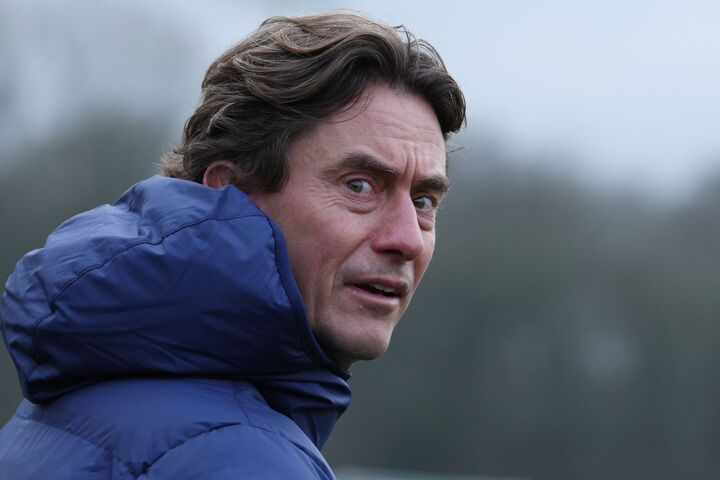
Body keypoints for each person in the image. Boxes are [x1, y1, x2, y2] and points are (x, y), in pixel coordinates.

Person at [0, 12, 465, 479]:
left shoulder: (68, 406)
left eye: (424, 201)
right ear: (232, 194)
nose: (407, 239)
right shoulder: (241, 460)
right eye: (359, 186)